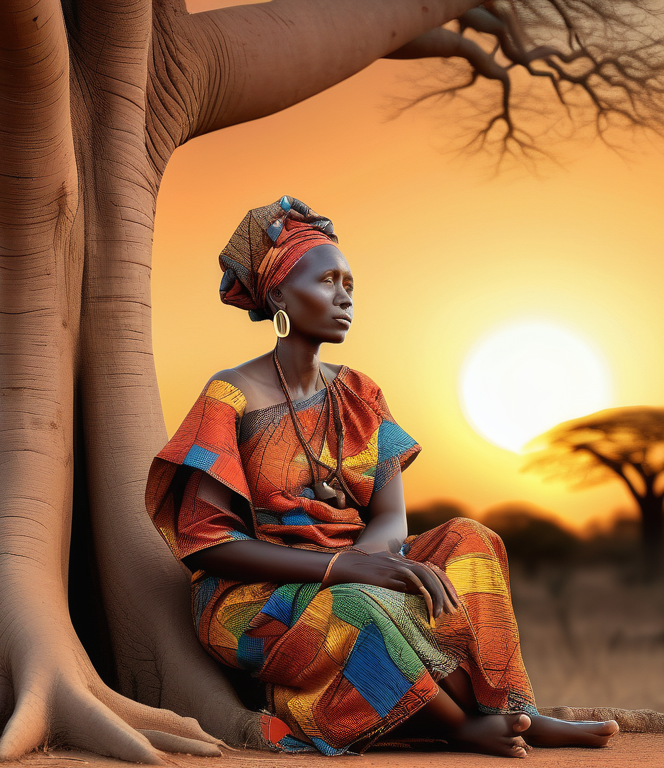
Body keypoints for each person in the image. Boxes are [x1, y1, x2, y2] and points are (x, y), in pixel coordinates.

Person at [145, 195, 619, 758]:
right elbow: (208, 544)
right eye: (326, 281)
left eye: (349, 282)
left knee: (471, 539)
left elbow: (392, 515)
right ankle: (458, 726)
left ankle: (515, 708)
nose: (344, 295)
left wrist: (374, 561)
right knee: (358, 607)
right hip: (252, 598)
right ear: (277, 296)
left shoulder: (361, 393)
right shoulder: (230, 395)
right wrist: (344, 570)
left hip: (358, 565)